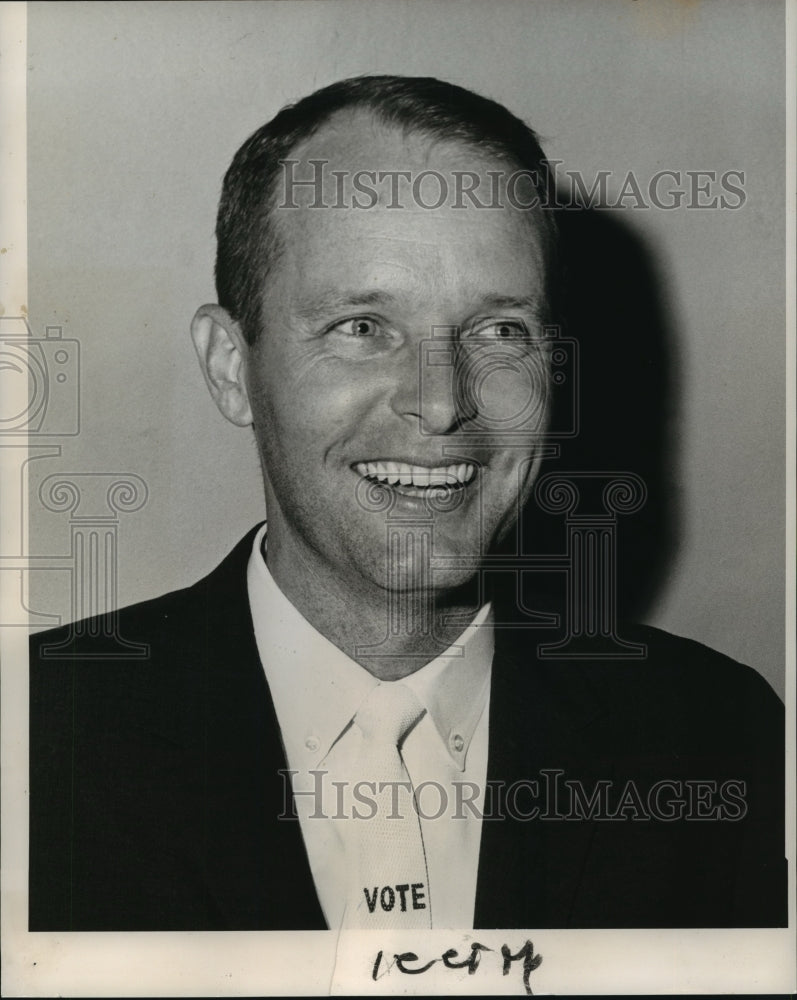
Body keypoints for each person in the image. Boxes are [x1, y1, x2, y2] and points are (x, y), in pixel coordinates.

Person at [29, 75, 786, 931]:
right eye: (362, 327)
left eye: (499, 331)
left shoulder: (718, 733)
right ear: (230, 365)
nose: (440, 403)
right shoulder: (35, 740)